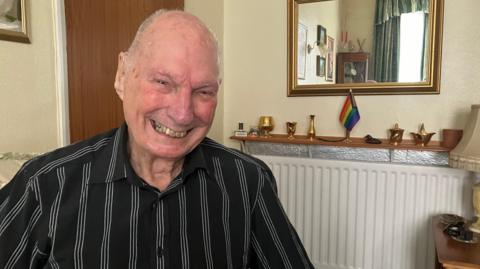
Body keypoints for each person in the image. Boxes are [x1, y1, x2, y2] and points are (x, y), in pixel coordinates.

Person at [0, 10, 314, 268]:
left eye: (203, 92)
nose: (182, 113)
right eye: (163, 82)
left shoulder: (249, 181)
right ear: (123, 75)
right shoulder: (43, 186)